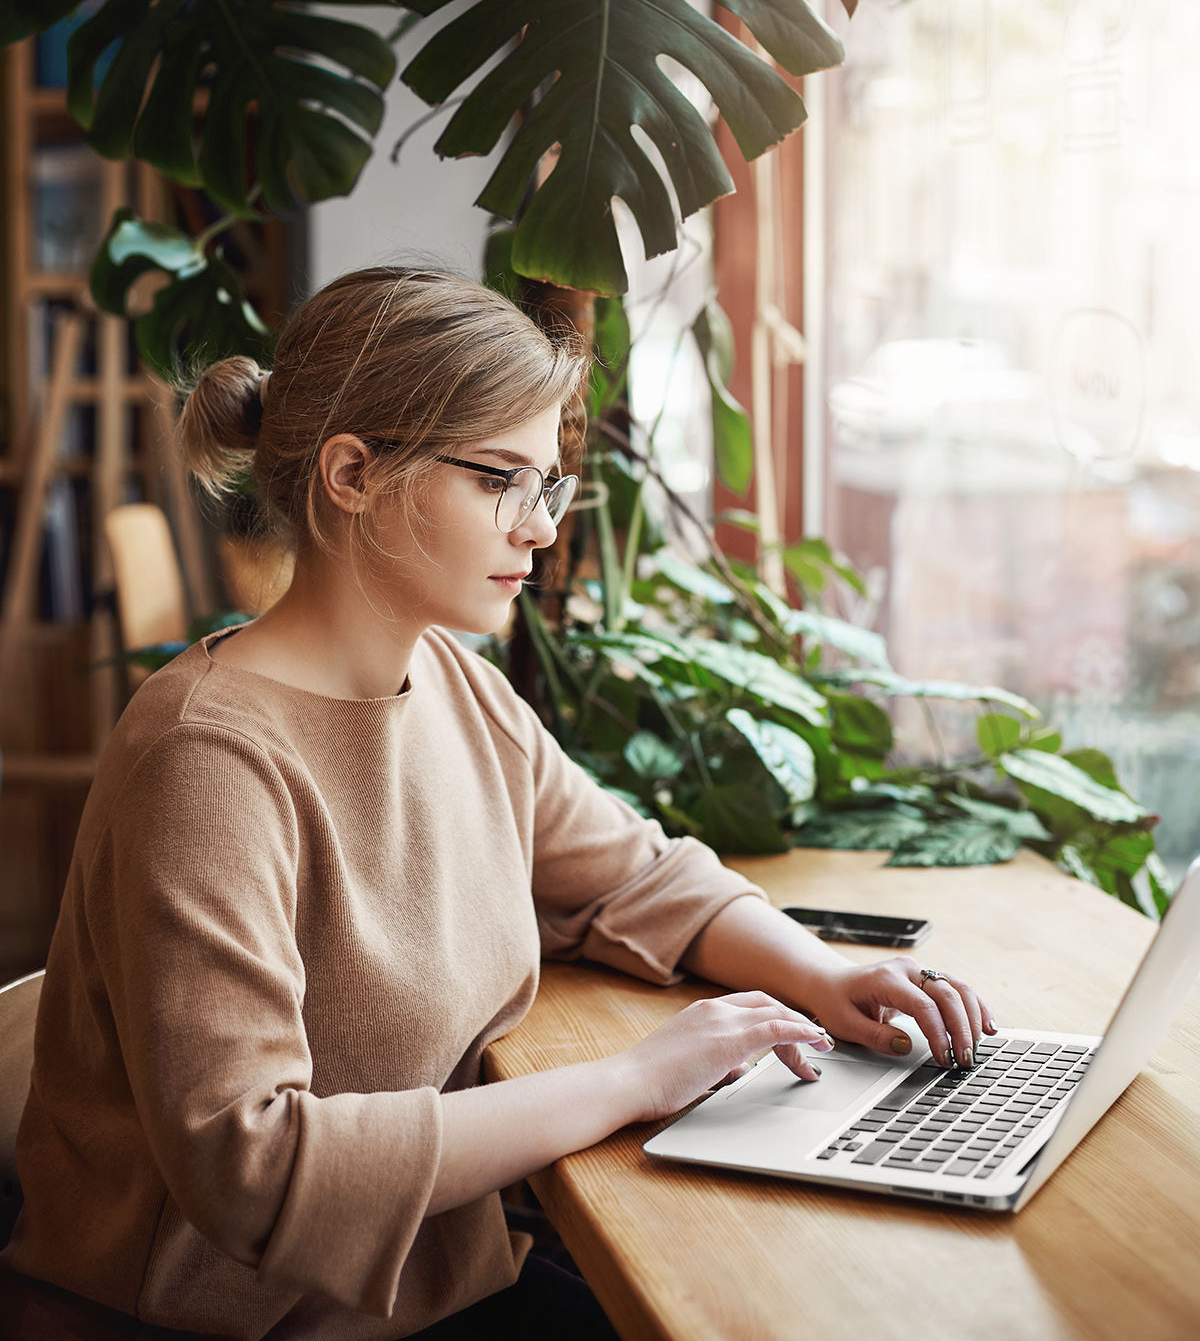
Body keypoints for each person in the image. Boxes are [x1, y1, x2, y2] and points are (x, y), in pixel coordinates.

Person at [2, 269, 993, 1340]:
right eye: (498, 483)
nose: (539, 531)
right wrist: (636, 1079)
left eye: (548, 488)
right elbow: (255, 1167)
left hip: (443, 1280)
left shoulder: (460, 689)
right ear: (351, 474)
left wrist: (824, 972)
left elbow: (632, 874)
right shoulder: (207, 758)